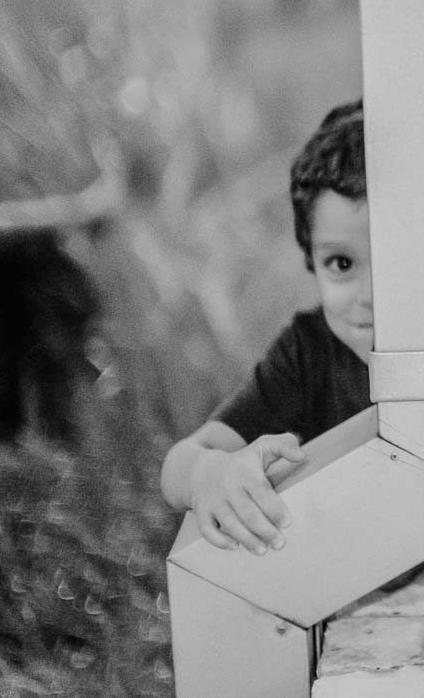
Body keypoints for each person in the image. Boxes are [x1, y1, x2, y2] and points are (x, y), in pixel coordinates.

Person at [159, 100, 372, 554]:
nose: (368, 294)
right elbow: (181, 461)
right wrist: (210, 475)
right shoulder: (309, 353)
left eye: (394, 259)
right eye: (342, 264)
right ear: (311, 261)